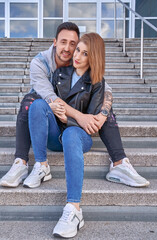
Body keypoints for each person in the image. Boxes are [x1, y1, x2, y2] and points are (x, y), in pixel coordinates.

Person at [0, 22, 149, 188]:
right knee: (30, 102)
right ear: (54, 42)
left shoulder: (78, 59)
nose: (69, 49)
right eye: (63, 42)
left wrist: (102, 115)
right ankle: (21, 162)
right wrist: (79, 117)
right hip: (52, 114)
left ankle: (119, 163)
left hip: (73, 128)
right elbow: (50, 98)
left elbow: (104, 88)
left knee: (105, 106)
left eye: (73, 44)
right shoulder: (41, 63)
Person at [26, 32, 105, 238]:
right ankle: (42, 165)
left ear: (93, 57)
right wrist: (55, 111)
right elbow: (51, 104)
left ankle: (74, 209)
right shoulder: (60, 74)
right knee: (38, 105)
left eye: (84, 53)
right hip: (56, 135)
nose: (76, 55)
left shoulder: (97, 83)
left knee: (71, 133)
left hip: (79, 138)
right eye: (77, 49)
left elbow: (92, 124)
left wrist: (66, 119)